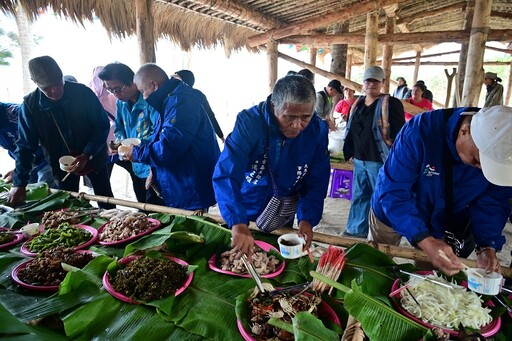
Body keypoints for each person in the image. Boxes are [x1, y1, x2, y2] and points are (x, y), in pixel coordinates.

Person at [369, 105, 512, 276]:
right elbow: (393, 192)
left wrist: (487, 245)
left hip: (440, 221)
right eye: (476, 159)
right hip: (391, 210)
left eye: (490, 168)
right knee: (375, 263)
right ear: (465, 131)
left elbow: (493, 203)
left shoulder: (501, 155)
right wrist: (423, 238)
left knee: (429, 279)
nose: (481, 169)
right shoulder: (420, 132)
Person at [212, 75, 330, 259]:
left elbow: (317, 179)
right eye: (289, 117)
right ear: (274, 105)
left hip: (284, 206)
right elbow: (226, 174)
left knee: (274, 256)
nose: (298, 125)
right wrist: (237, 221)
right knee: (242, 253)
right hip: (249, 201)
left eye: (305, 117)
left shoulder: (317, 130)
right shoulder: (249, 123)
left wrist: (307, 218)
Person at [8, 55, 115, 208]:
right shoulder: (30, 106)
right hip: (60, 162)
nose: (55, 90)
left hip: (93, 156)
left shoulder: (83, 93)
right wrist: (19, 183)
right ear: (35, 83)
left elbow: (102, 125)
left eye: (59, 83)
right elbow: (25, 146)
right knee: (67, 202)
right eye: (47, 88)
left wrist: (87, 154)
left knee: (105, 198)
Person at [121, 63, 220, 211]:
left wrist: (136, 153)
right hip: (180, 181)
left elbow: (168, 147)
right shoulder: (168, 101)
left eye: (143, 91)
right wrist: (154, 170)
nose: (143, 96)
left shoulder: (181, 102)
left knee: (192, 228)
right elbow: (162, 138)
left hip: (190, 185)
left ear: (154, 85)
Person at [342, 66, 405, 238]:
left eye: (376, 81)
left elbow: (400, 133)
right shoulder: (358, 104)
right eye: (368, 80)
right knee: (359, 196)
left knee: (381, 198)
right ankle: (355, 230)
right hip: (360, 160)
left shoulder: (391, 104)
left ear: (383, 83)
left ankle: (381, 237)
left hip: (379, 160)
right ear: (363, 83)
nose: (372, 84)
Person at [98, 62, 160, 204]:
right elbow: (118, 126)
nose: (115, 94)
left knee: (157, 205)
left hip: (152, 163)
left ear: (133, 81)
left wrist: (137, 143)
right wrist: (120, 140)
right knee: (142, 203)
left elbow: (159, 134)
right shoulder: (121, 103)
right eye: (110, 90)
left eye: (118, 89)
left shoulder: (149, 101)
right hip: (135, 163)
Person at [0, 102, 55, 186]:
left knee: (44, 190)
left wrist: (19, 173)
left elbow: (27, 146)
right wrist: (18, 170)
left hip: (46, 158)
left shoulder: (16, 113)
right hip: (25, 162)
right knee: (27, 191)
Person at [173, 69, 225, 143]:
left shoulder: (197, 96)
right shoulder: (171, 96)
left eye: (175, 79)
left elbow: (210, 116)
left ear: (184, 81)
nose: (172, 81)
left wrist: (221, 135)